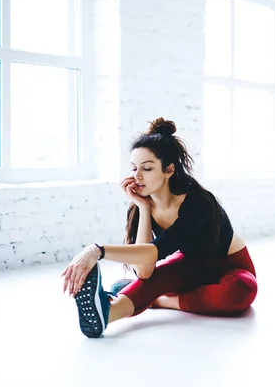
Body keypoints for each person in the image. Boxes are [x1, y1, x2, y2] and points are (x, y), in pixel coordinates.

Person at [60, 118, 258, 338]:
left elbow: (155, 250)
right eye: (134, 168)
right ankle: (106, 314)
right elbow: (144, 270)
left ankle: (159, 300)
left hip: (229, 266)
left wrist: (97, 251)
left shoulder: (197, 202)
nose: (137, 176)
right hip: (190, 265)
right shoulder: (144, 205)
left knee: (238, 292)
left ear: (169, 170)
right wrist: (143, 208)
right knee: (150, 280)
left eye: (147, 168)